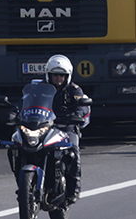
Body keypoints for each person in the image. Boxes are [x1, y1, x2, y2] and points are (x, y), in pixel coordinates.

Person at [44, 54, 90, 205]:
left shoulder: (74, 90)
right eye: (55, 75)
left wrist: (77, 115)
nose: (58, 78)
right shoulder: (40, 88)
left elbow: (83, 105)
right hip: (45, 127)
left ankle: (73, 189)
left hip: (66, 127)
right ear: (48, 75)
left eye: (61, 75)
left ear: (67, 76)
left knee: (73, 150)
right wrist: (16, 111)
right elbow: (26, 100)